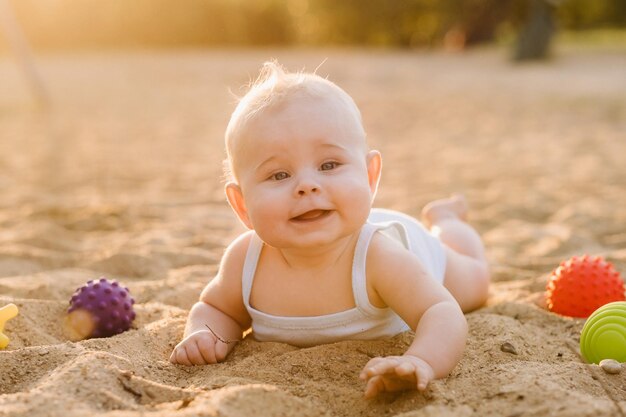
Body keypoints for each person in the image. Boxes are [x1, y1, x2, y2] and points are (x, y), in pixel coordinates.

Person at [169, 61, 490, 398]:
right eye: (279, 175)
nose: (307, 185)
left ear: (369, 177)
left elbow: (440, 312)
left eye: (329, 165)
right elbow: (217, 309)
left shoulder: (379, 257)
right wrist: (205, 334)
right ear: (242, 205)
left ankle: (445, 221)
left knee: (476, 282)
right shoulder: (245, 261)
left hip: (422, 253)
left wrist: (421, 360)